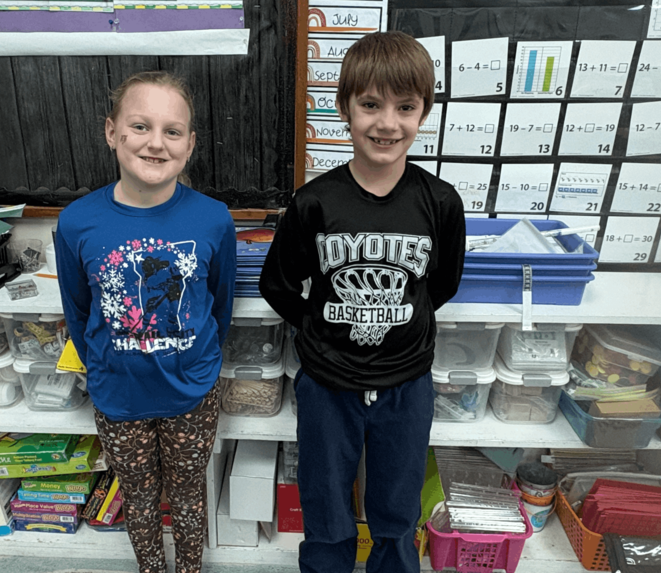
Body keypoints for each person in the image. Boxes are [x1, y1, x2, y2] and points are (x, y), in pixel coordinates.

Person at [259, 31, 466, 573]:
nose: (387, 123)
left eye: (405, 107)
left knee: (397, 515)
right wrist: (320, 328)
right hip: (328, 385)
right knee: (326, 512)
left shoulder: (440, 202)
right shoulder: (314, 203)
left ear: (424, 112)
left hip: (407, 382)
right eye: (371, 104)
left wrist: (397, 322)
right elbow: (278, 285)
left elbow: (440, 284)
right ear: (344, 108)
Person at [55, 71, 236, 573]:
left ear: (190, 144)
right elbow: (77, 310)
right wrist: (103, 366)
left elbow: (219, 305)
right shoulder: (76, 221)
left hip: (191, 390)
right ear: (112, 132)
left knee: (188, 495)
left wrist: (197, 359)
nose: (156, 143)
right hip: (119, 393)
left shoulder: (213, 218)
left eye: (172, 131)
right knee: (137, 499)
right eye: (140, 126)